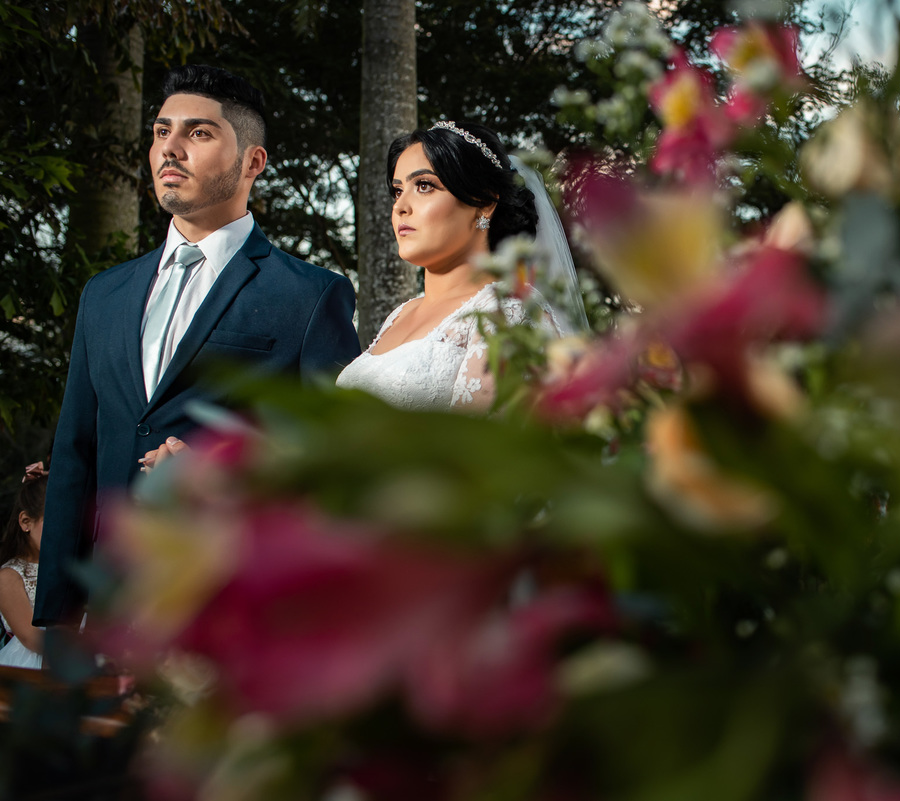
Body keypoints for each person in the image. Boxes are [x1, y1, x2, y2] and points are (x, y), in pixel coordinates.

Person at [33, 66, 361, 626]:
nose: (171, 149)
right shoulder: (103, 294)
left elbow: (335, 459)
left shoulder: (310, 295)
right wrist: (59, 618)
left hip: (229, 609)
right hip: (108, 610)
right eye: (162, 131)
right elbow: (75, 455)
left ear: (253, 162)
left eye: (199, 133)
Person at [336, 120, 584, 410]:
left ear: (484, 202)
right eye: (398, 190)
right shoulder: (400, 314)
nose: (400, 206)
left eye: (424, 185)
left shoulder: (506, 310)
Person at [0, 463, 49, 668]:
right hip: (33, 667)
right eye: (53, 523)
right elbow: (32, 638)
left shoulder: (72, 565)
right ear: (26, 521)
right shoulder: (9, 577)